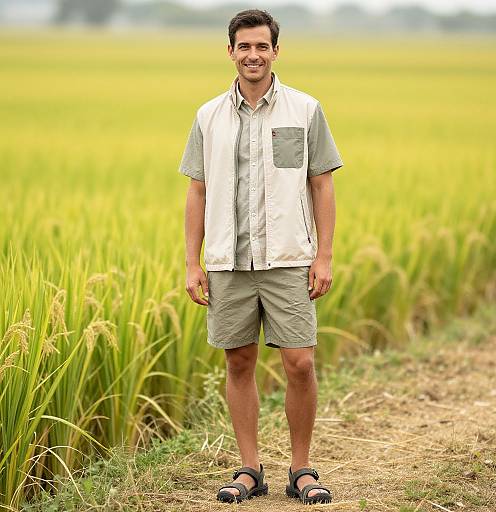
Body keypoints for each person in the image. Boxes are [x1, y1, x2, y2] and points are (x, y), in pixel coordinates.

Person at [179, 8, 343, 506]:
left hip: (290, 256)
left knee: (299, 362)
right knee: (239, 361)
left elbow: (322, 184)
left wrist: (325, 255)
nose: (253, 55)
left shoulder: (305, 109)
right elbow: (197, 191)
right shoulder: (208, 115)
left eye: (261, 46)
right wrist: (192, 261)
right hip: (229, 260)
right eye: (243, 46)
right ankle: (250, 469)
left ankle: (302, 469)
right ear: (230, 51)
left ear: (276, 50)